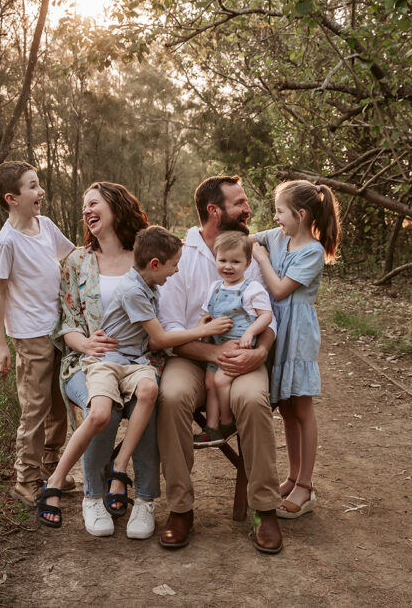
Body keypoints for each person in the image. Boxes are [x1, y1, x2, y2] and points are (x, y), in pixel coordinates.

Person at [39, 226, 232, 529]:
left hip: (136, 363)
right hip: (107, 362)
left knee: (148, 391)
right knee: (101, 414)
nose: (177, 270)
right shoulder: (132, 290)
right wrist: (206, 331)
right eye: (174, 264)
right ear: (155, 265)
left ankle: (119, 465)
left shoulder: (150, 288)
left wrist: (196, 324)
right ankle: (56, 479)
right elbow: (159, 337)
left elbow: (152, 344)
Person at [156, 175, 284, 554]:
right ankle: (180, 508)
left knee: (253, 400)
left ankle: (265, 508)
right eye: (240, 203)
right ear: (215, 210)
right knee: (172, 396)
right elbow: (171, 328)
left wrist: (260, 352)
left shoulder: (251, 250)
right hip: (193, 355)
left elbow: (268, 315)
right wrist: (211, 353)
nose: (248, 209)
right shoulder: (180, 254)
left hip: (243, 355)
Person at [52, 182, 163, 539]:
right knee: (108, 409)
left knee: (148, 397)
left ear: (116, 207)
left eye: (94, 203)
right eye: (84, 206)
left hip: (136, 361)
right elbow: (65, 322)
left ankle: (144, 500)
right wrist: (85, 343)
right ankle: (93, 496)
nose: (86, 211)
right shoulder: (76, 262)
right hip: (87, 363)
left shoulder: (144, 258)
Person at [252, 179, 341, 519]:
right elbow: (244, 240)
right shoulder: (278, 237)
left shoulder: (312, 252)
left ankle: (305, 485)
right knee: (286, 407)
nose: (275, 219)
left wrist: (260, 257)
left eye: (280, 212)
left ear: (301, 214)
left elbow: (278, 291)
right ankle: (291, 476)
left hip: (298, 333)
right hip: (277, 331)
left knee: (301, 407)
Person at [0, 161, 75, 509]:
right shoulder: (6, 242)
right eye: (33, 187)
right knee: (35, 407)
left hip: (58, 329)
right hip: (30, 336)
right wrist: (0, 343)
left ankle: (51, 464)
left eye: (38, 185)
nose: (40, 192)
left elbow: (70, 256)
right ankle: (25, 478)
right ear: (12, 198)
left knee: (58, 404)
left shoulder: (46, 226)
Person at [193, 231, 273, 448]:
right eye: (223, 260)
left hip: (239, 345)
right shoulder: (215, 287)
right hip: (216, 345)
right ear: (216, 259)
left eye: (235, 262)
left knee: (220, 380)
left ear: (247, 264)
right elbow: (207, 314)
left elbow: (266, 315)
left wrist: (250, 333)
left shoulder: (251, 289)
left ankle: (227, 422)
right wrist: (203, 327)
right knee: (210, 383)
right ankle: (211, 429)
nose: (228, 266)